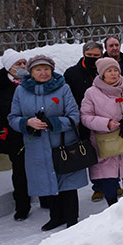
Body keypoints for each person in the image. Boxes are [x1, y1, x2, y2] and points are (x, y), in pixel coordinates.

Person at [8, 55, 88, 231]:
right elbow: (13, 118)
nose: (43, 73)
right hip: (37, 147)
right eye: (38, 69)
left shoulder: (63, 88)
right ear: (31, 72)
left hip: (63, 144)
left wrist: (54, 123)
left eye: (46, 69)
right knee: (47, 182)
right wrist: (27, 122)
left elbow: (74, 116)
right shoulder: (21, 91)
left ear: (52, 70)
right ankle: (56, 216)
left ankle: (72, 217)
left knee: (67, 182)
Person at [80, 58, 123, 206]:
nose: (113, 74)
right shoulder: (91, 93)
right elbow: (85, 117)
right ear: (102, 74)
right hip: (106, 140)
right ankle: (112, 206)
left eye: (115, 70)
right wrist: (106, 123)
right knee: (108, 175)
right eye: (109, 71)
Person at [64, 41, 113, 202]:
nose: (92, 58)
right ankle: (98, 186)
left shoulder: (107, 71)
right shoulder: (72, 73)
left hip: (107, 119)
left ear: (102, 55)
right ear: (84, 54)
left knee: (112, 152)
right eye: (89, 55)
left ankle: (114, 183)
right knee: (93, 155)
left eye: (96, 55)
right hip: (84, 120)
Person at [0, 50, 31, 220]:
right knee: (19, 171)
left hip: (34, 132)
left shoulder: (30, 81)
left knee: (38, 168)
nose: (22, 67)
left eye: (24, 63)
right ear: (8, 67)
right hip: (12, 136)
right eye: (18, 64)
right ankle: (22, 205)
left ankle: (46, 198)